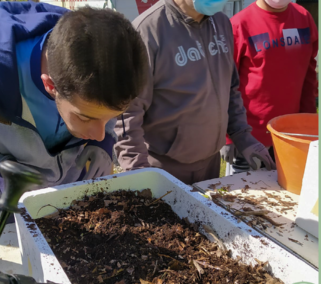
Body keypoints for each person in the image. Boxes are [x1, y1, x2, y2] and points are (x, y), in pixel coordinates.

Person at [0, 2, 148, 222]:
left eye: (109, 119)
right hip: (11, 197)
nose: (99, 133)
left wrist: (104, 142)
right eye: (85, 117)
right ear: (51, 86)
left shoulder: (99, 68)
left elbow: (101, 112)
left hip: (74, 189)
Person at [114, 0, 276, 185]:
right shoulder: (148, 31)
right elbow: (127, 113)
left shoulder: (222, 23)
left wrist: (243, 137)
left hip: (211, 165)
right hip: (164, 169)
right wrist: (138, 173)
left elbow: (229, 88)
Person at [221, 0, 318, 174]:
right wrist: (228, 137)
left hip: (292, 137)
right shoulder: (239, 25)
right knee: (246, 198)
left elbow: (309, 76)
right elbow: (225, 85)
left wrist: (309, 124)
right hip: (249, 140)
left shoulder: (304, 18)